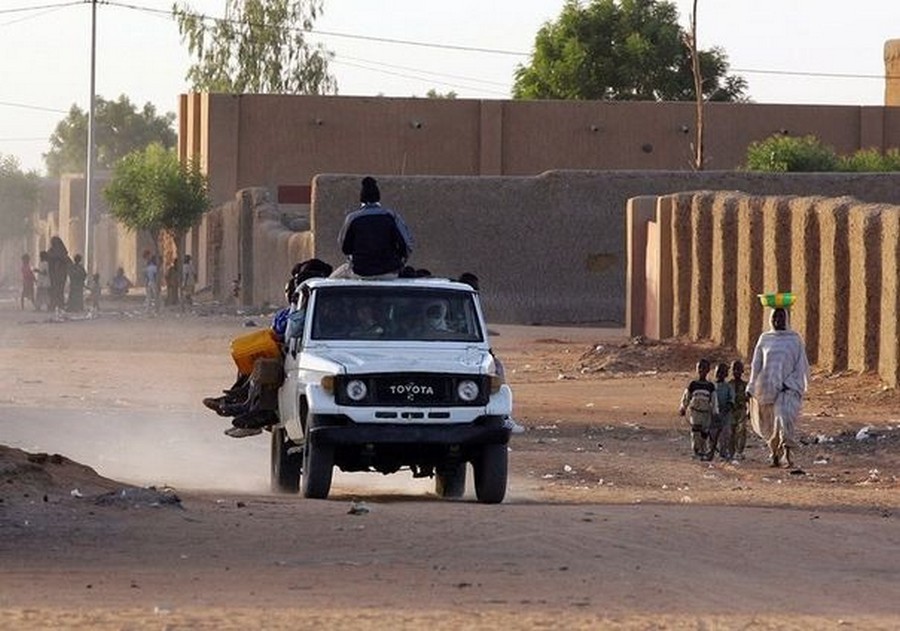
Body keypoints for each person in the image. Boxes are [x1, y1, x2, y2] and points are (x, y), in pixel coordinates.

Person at [747, 307, 810, 468]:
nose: (777, 321)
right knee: (771, 425)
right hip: (768, 389)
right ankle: (775, 453)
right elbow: (757, 365)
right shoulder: (765, 339)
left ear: (786, 319)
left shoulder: (794, 340)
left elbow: (801, 365)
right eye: (775, 317)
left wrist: (790, 383)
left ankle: (788, 455)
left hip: (788, 389)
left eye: (781, 317)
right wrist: (751, 386)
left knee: (784, 418)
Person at [333, 176, 414, 278]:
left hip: (359, 272)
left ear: (361, 198)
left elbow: (344, 248)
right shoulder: (391, 216)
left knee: (332, 279)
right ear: (378, 197)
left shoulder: (352, 218)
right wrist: (401, 262)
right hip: (390, 272)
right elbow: (407, 244)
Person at [679, 358, 718, 460]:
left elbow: (714, 400)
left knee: (704, 433)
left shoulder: (710, 386)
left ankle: (703, 451)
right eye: (699, 367)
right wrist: (683, 407)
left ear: (708, 370)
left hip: (706, 413)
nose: (701, 370)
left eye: (704, 368)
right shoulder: (693, 384)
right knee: (696, 432)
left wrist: (715, 412)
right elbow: (686, 396)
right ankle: (696, 451)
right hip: (695, 412)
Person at [710, 362, 735, 461]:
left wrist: (725, 410)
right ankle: (711, 451)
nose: (720, 374)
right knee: (712, 434)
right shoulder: (712, 386)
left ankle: (723, 453)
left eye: (722, 372)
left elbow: (731, 400)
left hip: (725, 415)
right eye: (718, 372)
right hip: (713, 415)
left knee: (725, 435)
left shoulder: (728, 387)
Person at [729, 360, 750, 460]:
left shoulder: (746, 386)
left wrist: (749, 411)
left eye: (738, 369)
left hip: (742, 410)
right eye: (734, 369)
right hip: (731, 411)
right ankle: (731, 451)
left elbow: (749, 400)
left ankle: (740, 451)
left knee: (741, 431)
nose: (736, 372)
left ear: (742, 371)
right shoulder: (729, 385)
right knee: (731, 431)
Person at [46, 236, 71, 313]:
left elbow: (68, 262)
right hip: (54, 274)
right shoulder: (53, 251)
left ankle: (58, 305)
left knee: (58, 290)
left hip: (60, 274)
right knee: (55, 290)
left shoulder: (60, 252)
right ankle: (55, 305)